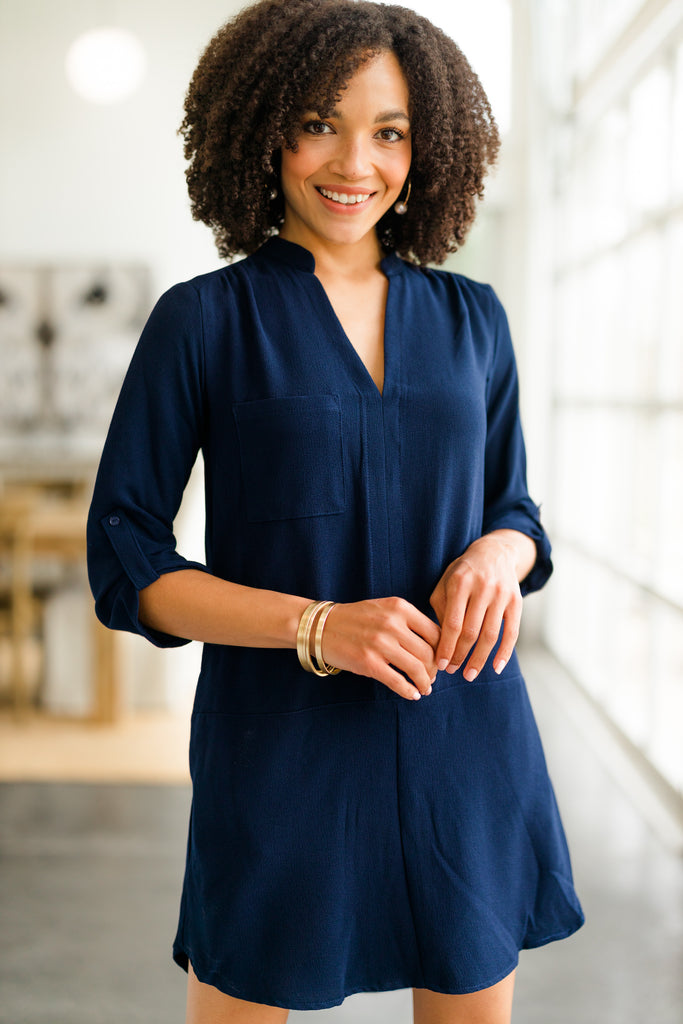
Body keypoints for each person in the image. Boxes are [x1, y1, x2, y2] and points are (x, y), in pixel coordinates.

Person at [86, 1, 584, 1021]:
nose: (354, 161)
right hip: (278, 745)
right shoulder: (203, 321)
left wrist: (498, 550)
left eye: (390, 131)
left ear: (425, 145)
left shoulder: (472, 317)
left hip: (462, 731)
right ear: (262, 125)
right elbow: (123, 556)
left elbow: (514, 506)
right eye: (319, 121)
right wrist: (315, 626)